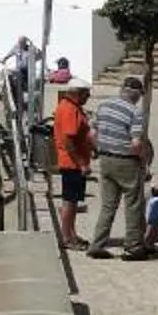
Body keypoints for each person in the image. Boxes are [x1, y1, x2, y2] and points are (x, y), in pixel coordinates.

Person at [83, 75, 156, 260]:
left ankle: (97, 244)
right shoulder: (135, 112)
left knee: (107, 206)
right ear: (138, 95)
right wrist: (143, 162)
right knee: (133, 204)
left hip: (106, 160)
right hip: (126, 161)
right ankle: (133, 246)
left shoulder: (104, 105)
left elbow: (91, 134)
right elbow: (137, 143)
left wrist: (100, 148)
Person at [52, 83, 93, 248]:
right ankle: (66, 237)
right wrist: (81, 163)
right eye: (86, 94)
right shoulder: (70, 110)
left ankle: (71, 233)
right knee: (70, 201)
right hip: (72, 163)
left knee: (73, 201)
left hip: (72, 161)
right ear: (78, 93)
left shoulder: (68, 106)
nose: (88, 97)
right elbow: (70, 141)